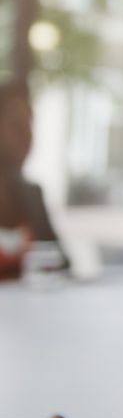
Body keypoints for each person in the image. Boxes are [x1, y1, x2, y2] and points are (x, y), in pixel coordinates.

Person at [0, 80, 68, 280]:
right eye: (15, 125)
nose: (27, 136)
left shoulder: (32, 194)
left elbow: (62, 266)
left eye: (30, 124)